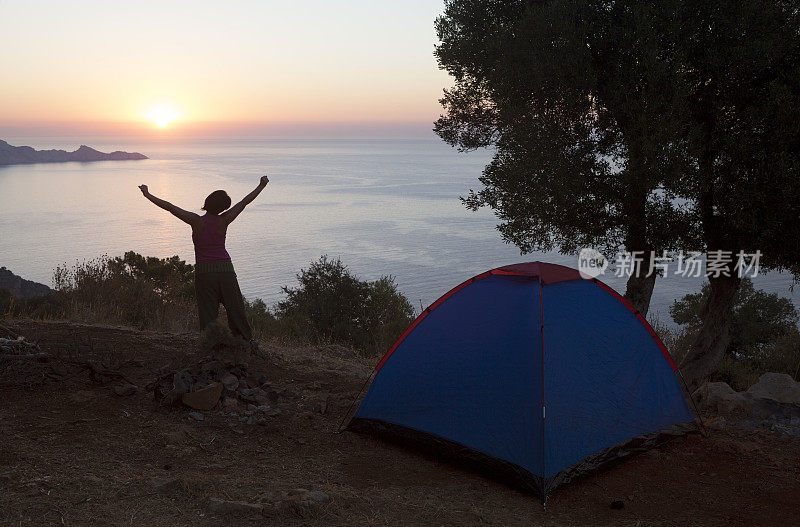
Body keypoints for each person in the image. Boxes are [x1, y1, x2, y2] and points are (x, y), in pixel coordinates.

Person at [138, 176, 269, 350]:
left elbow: (169, 207)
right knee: (235, 307)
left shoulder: (196, 221)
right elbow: (245, 202)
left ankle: (210, 345)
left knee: (208, 312)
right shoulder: (225, 220)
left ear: (207, 203)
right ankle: (245, 342)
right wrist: (261, 185)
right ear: (225, 207)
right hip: (226, 269)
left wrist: (147, 194)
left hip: (204, 272)